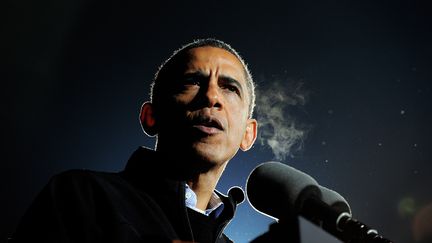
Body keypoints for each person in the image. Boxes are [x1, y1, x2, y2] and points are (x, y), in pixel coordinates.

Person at [11, 38, 258, 243]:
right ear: (150, 117)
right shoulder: (83, 195)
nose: (211, 96)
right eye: (192, 82)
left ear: (248, 134)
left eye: (230, 88)